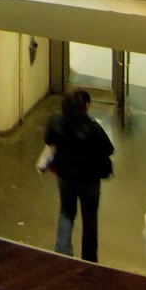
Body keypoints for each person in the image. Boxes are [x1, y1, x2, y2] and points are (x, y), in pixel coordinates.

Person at [42, 85, 114, 263]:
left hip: (65, 177)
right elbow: (109, 149)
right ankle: (89, 259)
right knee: (90, 219)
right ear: (86, 105)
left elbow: (48, 140)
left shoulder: (56, 122)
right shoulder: (94, 128)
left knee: (66, 212)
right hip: (89, 180)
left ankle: (62, 251)